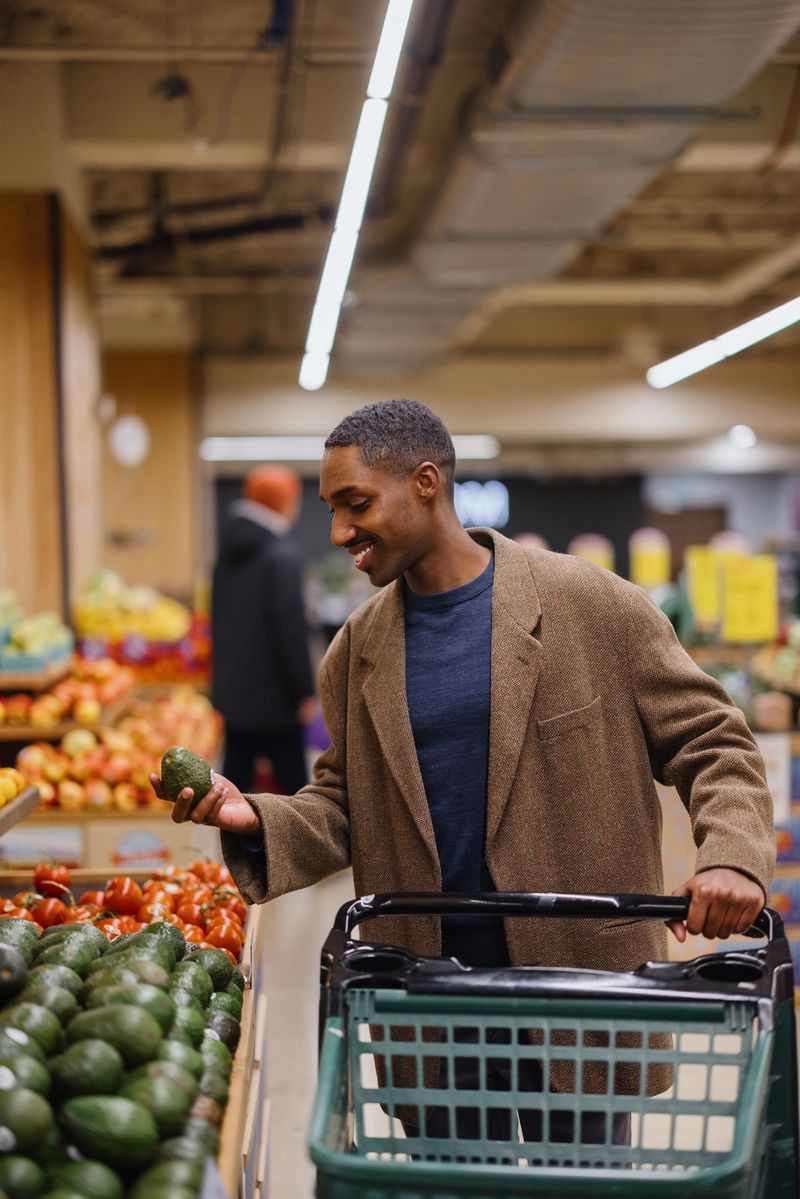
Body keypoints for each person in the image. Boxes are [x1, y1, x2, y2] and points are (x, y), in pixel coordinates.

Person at [155, 399, 773, 1143]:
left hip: (578, 993)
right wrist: (256, 815)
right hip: (431, 1003)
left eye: (356, 503)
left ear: (425, 482)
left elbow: (716, 741)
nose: (339, 532)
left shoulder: (592, 605)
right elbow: (349, 802)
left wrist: (733, 858)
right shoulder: (357, 651)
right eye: (330, 508)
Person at [210, 464, 316, 796]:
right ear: (285, 501)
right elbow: (290, 629)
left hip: (235, 699)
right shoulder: (281, 555)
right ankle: (303, 850)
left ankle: (232, 850)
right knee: (300, 799)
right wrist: (304, 691)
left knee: (231, 795)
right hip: (277, 703)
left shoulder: (226, 552)